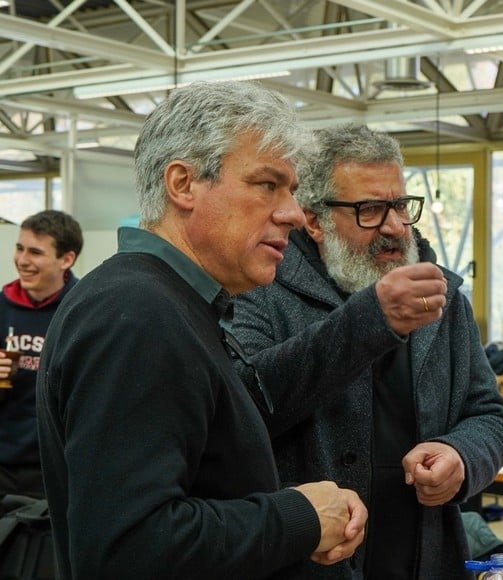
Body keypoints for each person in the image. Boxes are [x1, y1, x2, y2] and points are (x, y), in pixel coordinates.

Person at [35, 81, 367, 580]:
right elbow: (126, 549)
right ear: (183, 185)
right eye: (267, 184)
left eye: (293, 190)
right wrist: (299, 519)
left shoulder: (169, 304)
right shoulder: (138, 315)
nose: (294, 214)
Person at [232, 123, 503, 579]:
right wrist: (370, 320)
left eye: (401, 205)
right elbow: (246, 407)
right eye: (369, 209)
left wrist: (460, 456)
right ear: (313, 219)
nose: (394, 226)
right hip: (309, 564)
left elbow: (490, 414)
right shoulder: (259, 291)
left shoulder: (442, 296)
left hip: (423, 556)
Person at [0, 210, 82, 502]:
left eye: (35, 252)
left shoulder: (83, 311)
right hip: (5, 466)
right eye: (20, 248)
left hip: (57, 471)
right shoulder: (2, 306)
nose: (22, 261)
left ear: (66, 259)